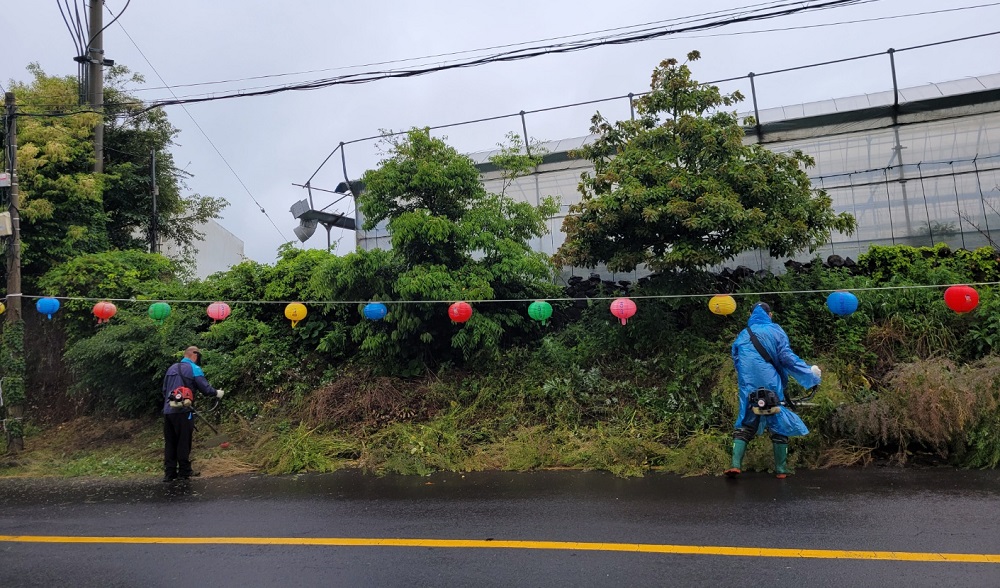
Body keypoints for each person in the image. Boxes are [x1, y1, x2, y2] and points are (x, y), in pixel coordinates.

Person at [725, 302, 821, 479]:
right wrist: (810, 374)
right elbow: (787, 358)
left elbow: (736, 359)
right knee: (777, 420)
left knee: (745, 423)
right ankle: (781, 470)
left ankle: (735, 465)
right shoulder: (775, 331)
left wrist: (747, 379)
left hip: (748, 385)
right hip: (770, 384)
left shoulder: (743, 334)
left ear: (751, 315)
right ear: (770, 315)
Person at [161, 346, 224, 482]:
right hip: (183, 411)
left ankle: (169, 473)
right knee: (183, 441)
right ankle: (184, 472)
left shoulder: (171, 368)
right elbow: (205, 388)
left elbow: (165, 390)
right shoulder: (194, 368)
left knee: (170, 442)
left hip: (168, 411)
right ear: (194, 355)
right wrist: (217, 393)